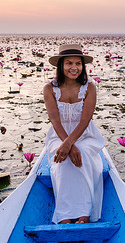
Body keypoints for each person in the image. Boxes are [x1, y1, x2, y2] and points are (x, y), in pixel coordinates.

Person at [43, 44, 105, 224]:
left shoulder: (89, 87)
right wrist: (66, 145)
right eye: (69, 63)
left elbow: (85, 120)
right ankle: (65, 214)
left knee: (83, 155)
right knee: (60, 161)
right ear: (61, 66)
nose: (74, 68)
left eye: (78, 63)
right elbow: (55, 120)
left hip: (85, 135)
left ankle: (84, 212)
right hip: (58, 135)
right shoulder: (50, 88)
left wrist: (71, 144)